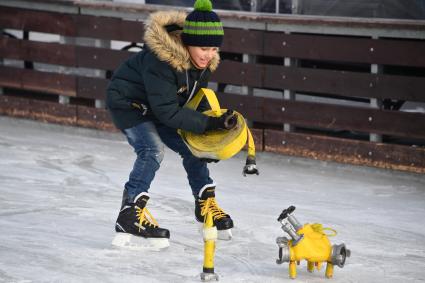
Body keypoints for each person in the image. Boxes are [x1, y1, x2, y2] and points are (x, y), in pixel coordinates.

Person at [106, 0, 240, 246]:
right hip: (131, 106)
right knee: (152, 149)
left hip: (161, 107)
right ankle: (129, 214)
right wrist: (208, 124)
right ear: (187, 42)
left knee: (193, 146)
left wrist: (209, 136)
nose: (209, 55)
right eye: (203, 48)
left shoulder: (202, 62)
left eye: (213, 49)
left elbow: (192, 99)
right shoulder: (161, 61)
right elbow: (168, 111)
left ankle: (205, 205)